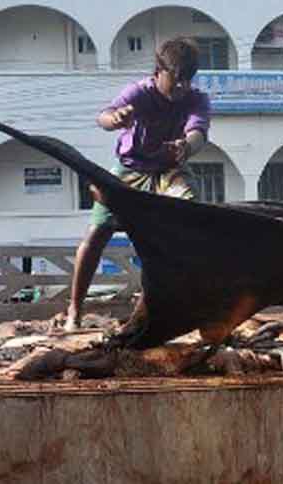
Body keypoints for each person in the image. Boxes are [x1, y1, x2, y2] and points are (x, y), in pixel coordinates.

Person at [64, 37, 210, 332]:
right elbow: (103, 117)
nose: (181, 88)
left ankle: (185, 305)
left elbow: (199, 132)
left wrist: (186, 146)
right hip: (129, 171)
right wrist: (116, 119)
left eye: (187, 81)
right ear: (159, 71)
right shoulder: (139, 93)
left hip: (170, 172)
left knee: (191, 216)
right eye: (176, 80)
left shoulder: (196, 98)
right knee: (96, 234)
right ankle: (74, 311)